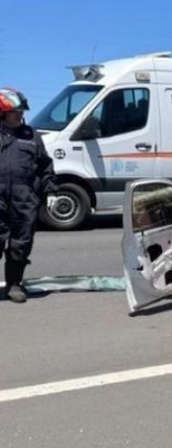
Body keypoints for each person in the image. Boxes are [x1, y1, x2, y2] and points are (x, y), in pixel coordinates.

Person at [0, 88, 58, 303]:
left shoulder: (32, 136)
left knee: (20, 243)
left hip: (23, 198)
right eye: (15, 111)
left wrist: (50, 190)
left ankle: (14, 284)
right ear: (2, 112)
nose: (19, 115)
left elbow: (45, 166)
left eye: (20, 111)